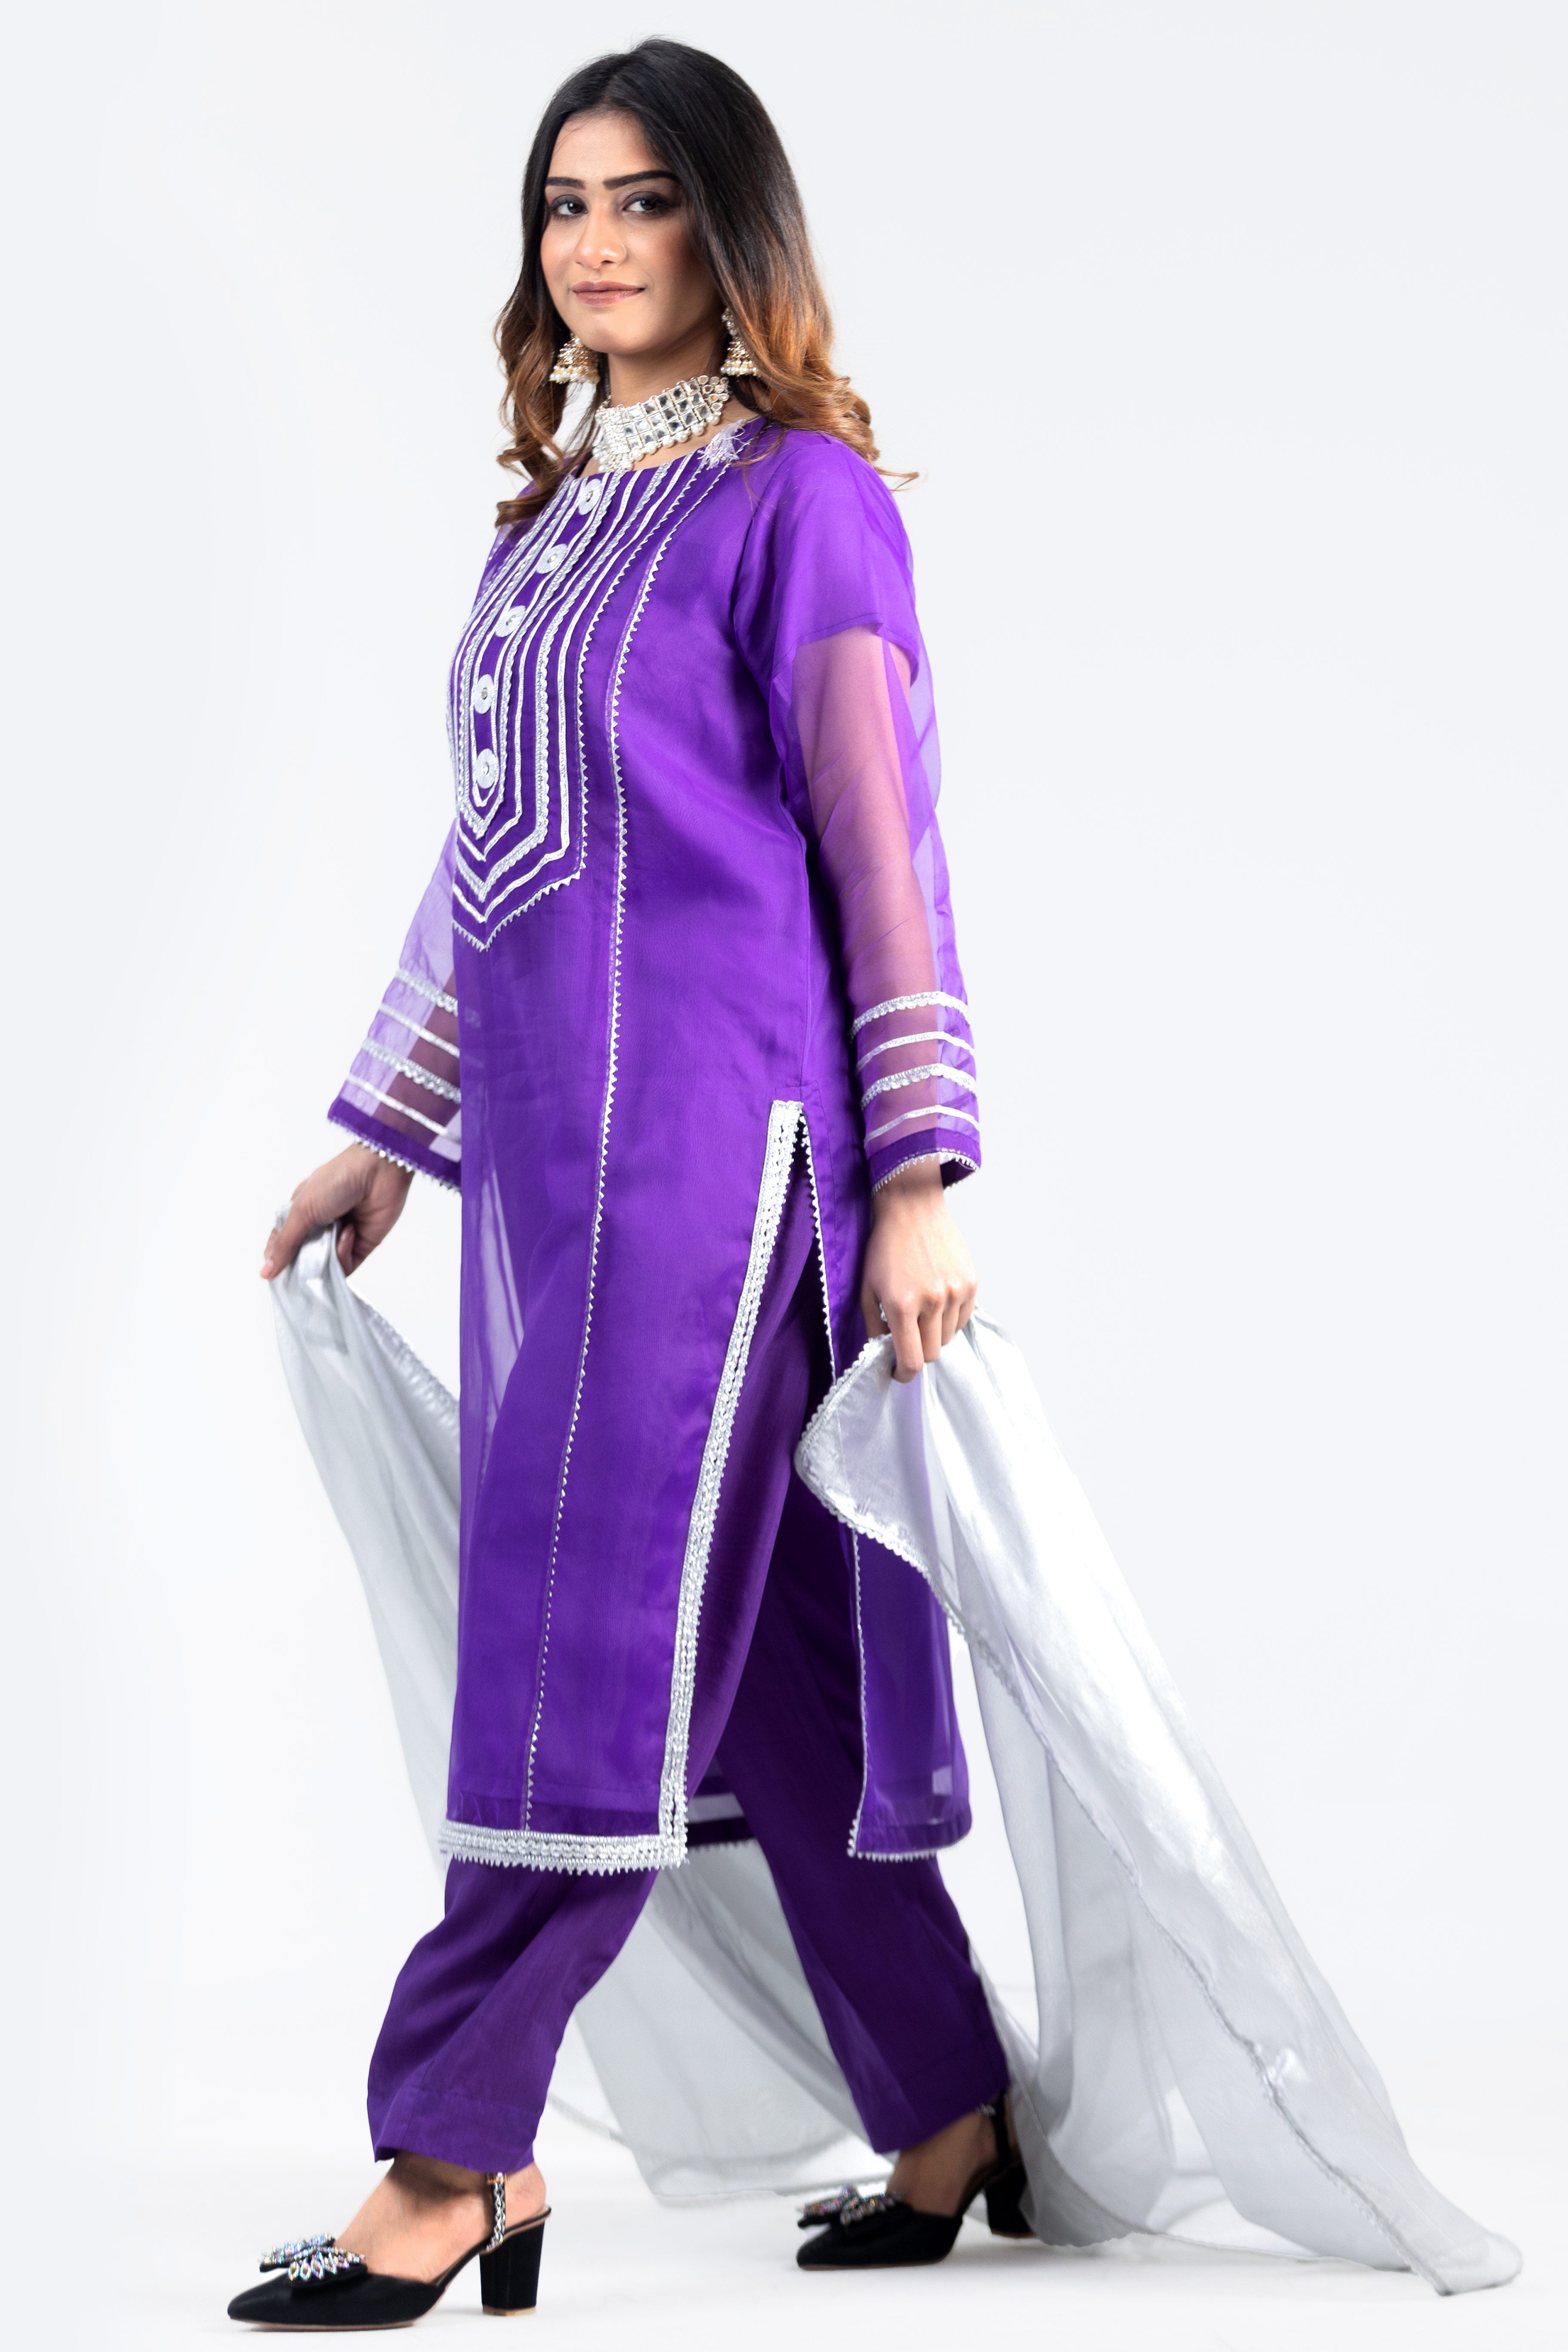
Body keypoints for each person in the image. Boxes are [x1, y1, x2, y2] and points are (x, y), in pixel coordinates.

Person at [236, 37, 1020, 2329]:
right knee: (760, 1664)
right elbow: (493, 859)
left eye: (645, 197)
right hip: (552, 1175)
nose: (596, 241)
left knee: (586, 1626)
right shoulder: (554, 528)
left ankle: (457, 2147)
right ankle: (946, 2106)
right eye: (565, 202)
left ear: (730, 227)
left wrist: (921, 1172)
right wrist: (392, 1126)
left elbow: (888, 848)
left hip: (721, 1156)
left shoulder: (806, 504)